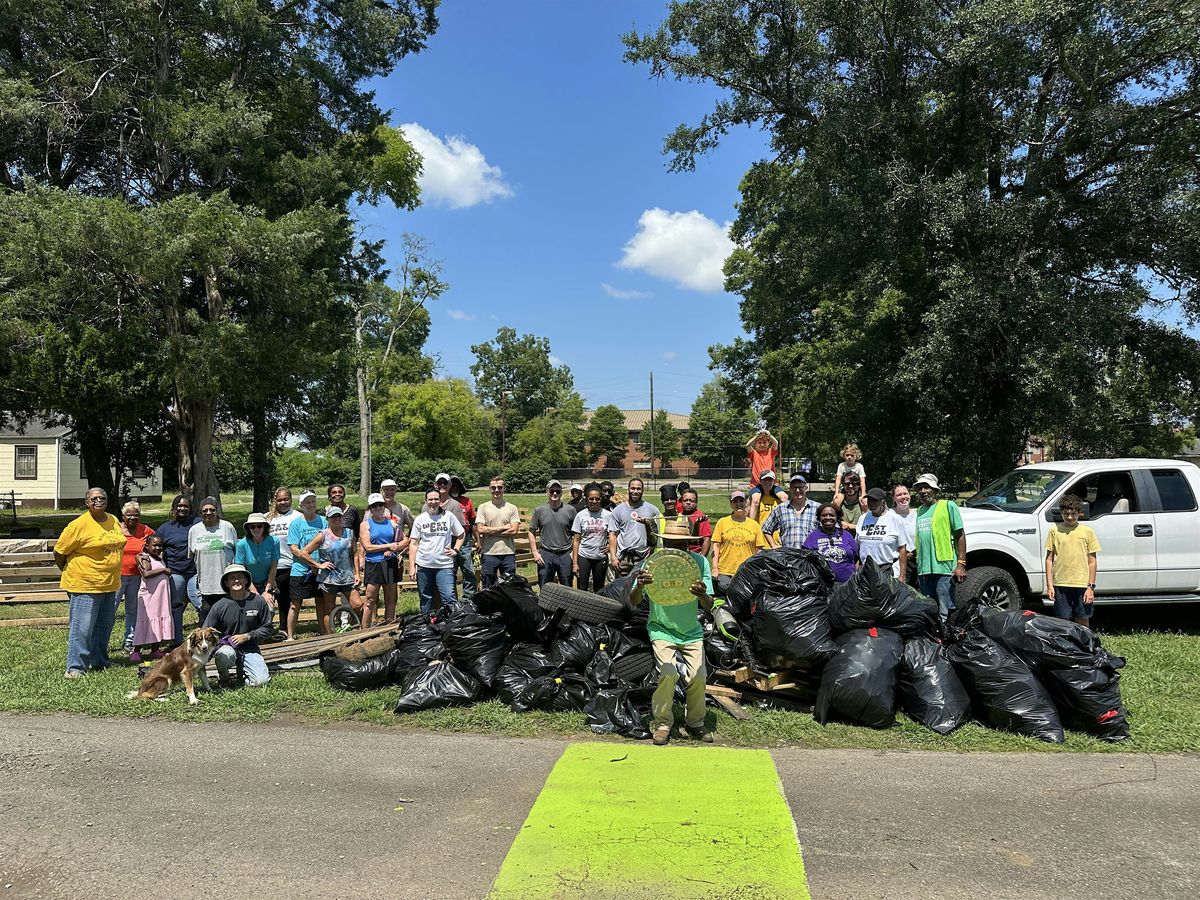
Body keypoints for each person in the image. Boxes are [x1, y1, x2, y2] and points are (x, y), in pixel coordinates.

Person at [629, 542, 715, 746]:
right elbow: (633, 601)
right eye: (670, 541)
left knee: (698, 674)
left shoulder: (700, 562)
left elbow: (709, 603)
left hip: (690, 631)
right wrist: (640, 585)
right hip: (661, 629)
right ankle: (663, 723)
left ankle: (695, 722)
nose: (675, 545)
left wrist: (702, 594)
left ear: (687, 543)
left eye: (680, 542)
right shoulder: (652, 563)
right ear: (664, 541)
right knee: (668, 672)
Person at [55, 487, 127, 678]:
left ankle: (99, 660)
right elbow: (59, 552)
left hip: (109, 583)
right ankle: (75, 668)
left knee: (104, 626)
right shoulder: (78, 525)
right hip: (84, 583)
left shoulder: (112, 520)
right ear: (87, 502)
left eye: (102, 498)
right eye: (94, 498)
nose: (98, 501)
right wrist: (70, 570)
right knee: (83, 627)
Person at [206, 564, 273, 688]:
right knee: (224, 656)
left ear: (246, 580)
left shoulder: (258, 601)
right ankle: (224, 677)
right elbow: (206, 632)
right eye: (232, 578)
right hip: (227, 646)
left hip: (250, 647)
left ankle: (243, 677)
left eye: (240, 577)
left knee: (261, 682)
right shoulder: (219, 606)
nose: (236, 580)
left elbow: (268, 628)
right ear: (226, 583)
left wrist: (248, 636)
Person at [913, 473, 967, 619]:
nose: (923, 491)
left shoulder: (948, 506)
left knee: (945, 610)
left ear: (935, 490)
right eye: (920, 488)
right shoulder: (919, 511)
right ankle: (936, 639)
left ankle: (948, 638)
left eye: (927, 487)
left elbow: (960, 535)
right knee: (930, 610)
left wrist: (961, 564)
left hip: (944, 569)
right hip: (924, 571)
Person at [1045, 494, 1100, 628]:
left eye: (1073, 514)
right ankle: (1065, 647)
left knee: (1082, 618)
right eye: (1066, 514)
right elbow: (1049, 560)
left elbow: (1092, 562)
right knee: (1063, 620)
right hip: (1061, 583)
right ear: (1061, 513)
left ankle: (1084, 645)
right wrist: (1050, 585)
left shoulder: (1087, 532)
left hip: (1081, 584)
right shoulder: (1054, 531)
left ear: (1080, 513)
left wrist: (1090, 587)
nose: (1070, 517)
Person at [301, 506, 357, 633]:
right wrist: (318, 565)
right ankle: (330, 635)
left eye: (338, 516)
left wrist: (357, 573)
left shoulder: (349, 533)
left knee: (357, 605)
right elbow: (304, 552)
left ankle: (357, 630)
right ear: (328, 519)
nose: (336, 519)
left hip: (347, 576)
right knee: (329, 609)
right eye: (333, 517)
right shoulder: (323, 535)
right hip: (329, 578)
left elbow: (355, 553)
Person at [408, 488, 465, 613]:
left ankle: (452, 624)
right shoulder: (420, 519)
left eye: (436, 499)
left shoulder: (449, 516)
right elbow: (413, 544)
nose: (433, 502)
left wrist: (456, 549)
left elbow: (461, 534)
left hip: (444, 565)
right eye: (430, 499)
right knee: (426, 598)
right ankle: (427, 625)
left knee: (449, 597)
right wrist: (412, 566)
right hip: (424, 565)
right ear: (426, 501)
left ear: (440, 501)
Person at [155, 494, 199, 646]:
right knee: (177, 606)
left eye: (185, 506)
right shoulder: (165, 528)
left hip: (195, 571)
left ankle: (204, 639)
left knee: (199, 602)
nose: (182, 508)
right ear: (174, 509)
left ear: (190, 509)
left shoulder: (198, 523)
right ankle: (177, 640)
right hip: (175, 572)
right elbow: (153, 547)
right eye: (179, 506)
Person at [188, 497, 237, 628]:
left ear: (217, 511)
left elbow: (236, 552)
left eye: (212, 510)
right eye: (205, 510)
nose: (208, 513)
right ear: (200, 512)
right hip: (206, 583)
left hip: (226, 582)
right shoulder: (194, 530)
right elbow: (193, 555)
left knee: (228, 617)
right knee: (206, 616)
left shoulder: (227, 527)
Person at [359, 492, 407, 626]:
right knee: (369, 600)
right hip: (374, 564)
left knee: (391, 600)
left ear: (384, 506)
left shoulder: (392, 522)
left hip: (390, 563)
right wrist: (387, 546)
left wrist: (395, 547)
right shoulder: (365, 524)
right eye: (374, 506)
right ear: (370, 508)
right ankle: (364, 631)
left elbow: (405, 540)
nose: (378, 508)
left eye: (380, 505)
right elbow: (367, 546)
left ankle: (389, 628)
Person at [710, 490, 768, 596]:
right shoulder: (722, 522)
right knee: (725, 594)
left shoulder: (754, 525)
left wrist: (758, 570)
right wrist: (715, 568)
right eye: (735, 501)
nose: (738, 504)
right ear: (731, 504)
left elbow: (759, 551)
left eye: (741, 500)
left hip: (747, 571)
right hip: (726, 571)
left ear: (746, 502)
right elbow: (716, 546)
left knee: (745, 597)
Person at [286, 490, 327, 638]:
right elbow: (294, 549)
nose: (310, 505)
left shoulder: (324, 521)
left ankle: (324, 632)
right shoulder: (296, 524)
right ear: (300, 505)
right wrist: (313, 564)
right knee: (295, 604)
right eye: (307, 502)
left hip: (321, 571)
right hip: (300, 570)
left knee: (321, 602)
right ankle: (290, 636)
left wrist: (319, 566)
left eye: (312, 501)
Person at [117, 500, 154, 655]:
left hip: (136, 576)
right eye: (129, 515)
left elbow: (156, 543)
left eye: (136, 515)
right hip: (117, 576)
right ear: (123, 515)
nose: (132, 518)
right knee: (109, 609)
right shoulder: (116, 529)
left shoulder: (145, 530)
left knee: (132, 610)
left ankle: (130, 641)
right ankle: (101, 642)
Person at [266, 487, 302, 635]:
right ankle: (265, 629)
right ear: (275, 501)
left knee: (285, 599)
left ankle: (283, 628)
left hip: (289, 563)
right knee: (268, 599)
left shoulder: (298, 517)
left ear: (291, 499)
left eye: (286, 499)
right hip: (269, 565)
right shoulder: (267, 517)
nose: (283, 502)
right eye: (280, 500)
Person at [132, 534, 174, 661]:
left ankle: (155, 649)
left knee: (158, 619)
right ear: (147, 546)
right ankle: (136, 651)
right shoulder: (146, 558)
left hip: (160, 596)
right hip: (149, 596)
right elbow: (146, 573)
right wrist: (164, 570)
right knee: (146, 620)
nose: (157, 548)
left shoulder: (159, 557)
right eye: (154, 545)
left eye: (160, 545)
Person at [607, 478, 661, 576]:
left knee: (640, 588)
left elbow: (656, 537)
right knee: (621, 587)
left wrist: (648, 524)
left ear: (643, 490)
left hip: (643, 557)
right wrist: (613, 557)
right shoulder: (618, 510)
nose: (635, 491)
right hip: (624, 558)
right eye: (633, 488)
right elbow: (613, 534)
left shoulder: (652, 510)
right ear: (628, 489)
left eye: (638, 489)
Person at [856, 488, 912, 580]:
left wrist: (902, 575)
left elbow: (902, 549)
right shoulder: (862, 518)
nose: (871, 503)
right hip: (865, 569)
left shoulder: (895, 519)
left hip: (886, 569)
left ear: (883, 502)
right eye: (869, 500)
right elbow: (858, 546)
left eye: (875, 500)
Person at [529, 479, 576, 587]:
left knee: (567, 588)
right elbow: (531, 532)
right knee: (545, 587)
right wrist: (535, 553)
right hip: (546, 554)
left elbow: (577, 534)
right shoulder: (539, 511)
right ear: (547, 491)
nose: (555, 493)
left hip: (565, 554)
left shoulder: (570, 510)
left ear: (561, 493)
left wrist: (573, 553)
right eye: (552, 491)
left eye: (557, 491)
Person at [476, 476, 521, 588]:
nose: (496, 490)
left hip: (508, 553)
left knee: (510, 586)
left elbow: (514, 530)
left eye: (500, 487)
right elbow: (480, 529)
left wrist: (490, 531)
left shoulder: (512, 508)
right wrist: (504, 528)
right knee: (488, 587)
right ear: (489, 489)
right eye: (493, 487)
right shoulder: (483, 507)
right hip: (489, 553)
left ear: (504, 488)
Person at [327, 483, 362, 611]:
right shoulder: (324, 511)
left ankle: (347, 618)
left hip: (348, 556)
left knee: (351, 593)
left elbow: (357, 532)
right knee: (330, 599)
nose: (337, 494)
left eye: (340, 492)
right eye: (334, 492)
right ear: (329, 496)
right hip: (330, 558)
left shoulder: (352, 510)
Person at [802, 503, 859, 583]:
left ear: (837, 517)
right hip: (823, 586)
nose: (828, 518)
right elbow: (806, 561)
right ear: (819, 518)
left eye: (831, 515)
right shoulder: (812, 537)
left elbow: (855, 557)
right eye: (824, 515)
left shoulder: (846, 535)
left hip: (847, 584)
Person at [761, 474, 820, 549]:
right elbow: (766, 529)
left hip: (811, 556)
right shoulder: (781, 509)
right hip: (788, 556)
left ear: (806, 488)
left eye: (800, 487)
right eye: (794, 487)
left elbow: (829, 529)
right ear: (790, 489)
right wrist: (773, 545)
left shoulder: (817, 508)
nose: (797, 490)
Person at [572, 486, 613, 591]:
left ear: (601, 499)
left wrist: (610, 547)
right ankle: (581, 607)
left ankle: (597, 607)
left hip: (600, 556)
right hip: (584, 555)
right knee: (582, 587)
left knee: (599, 588)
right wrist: (575, 563)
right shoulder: (580, 515)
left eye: (597, 499)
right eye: (591, 498)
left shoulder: (608, 515)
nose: (594, 501)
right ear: (586, 499)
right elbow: (576, 540)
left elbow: (614, 536)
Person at [234, 513, 279, 601]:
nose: (256, 529)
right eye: (252, 527)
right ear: (248, 528)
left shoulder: (274, 541)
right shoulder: (241, 544)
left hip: (267, 581)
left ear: (264, 527)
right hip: (247, 583)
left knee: (269, 608)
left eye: (259, 526)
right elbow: (242, 570)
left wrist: (267, 589)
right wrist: (253, 590)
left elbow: (274, 567)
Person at [448, 475, 479, 600]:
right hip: (449, 541)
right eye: (452, 486)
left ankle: (468, 599)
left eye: (457, 486)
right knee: (450, 572)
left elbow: (473, 523)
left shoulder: (467, 502)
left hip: (465, 540)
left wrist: (478, 540)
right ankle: (452, 600)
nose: (455, 488)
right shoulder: (443, 502)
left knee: (469, 570)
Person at [890, 483, 918, 583]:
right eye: (899, 495)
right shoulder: (888, 515)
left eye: (905, 493)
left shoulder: (918, 514)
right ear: (893, 498)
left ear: (910, 495)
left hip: (916, 561)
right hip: (896, 564)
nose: (903, 497)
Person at [675, 488, 712, 556]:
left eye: (692, 501)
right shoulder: (678, 516)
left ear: (696, 503)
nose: (688, 503)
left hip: (694, 554)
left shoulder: (701, 517)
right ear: (681, 502)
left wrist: (702, 557)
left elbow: (707, 539)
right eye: (685, 500)